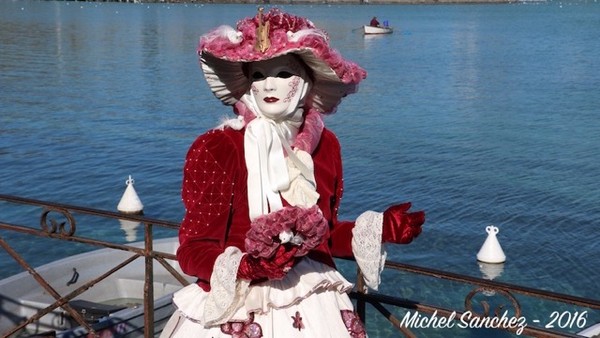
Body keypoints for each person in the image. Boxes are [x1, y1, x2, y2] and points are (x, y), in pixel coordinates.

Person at [160, 8, 425, 338]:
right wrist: (245, 266)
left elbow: (323, 235)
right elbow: (193, 248)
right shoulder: (218, 147)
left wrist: (379, 229)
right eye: (257, 75)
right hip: (241, 305)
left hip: (315, 302)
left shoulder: (325, 145)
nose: (269, 84)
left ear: (307, 82)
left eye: (284, 73)